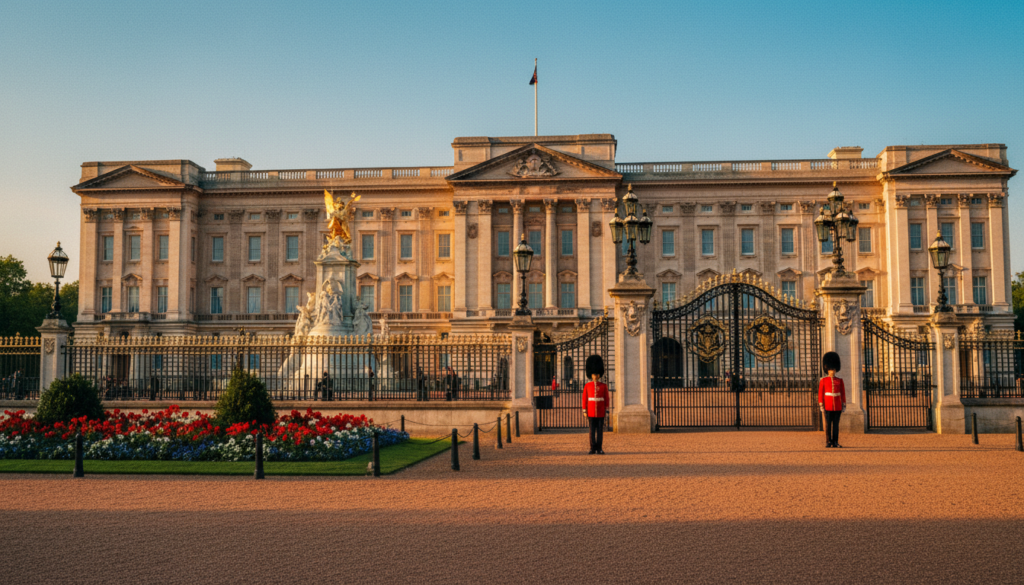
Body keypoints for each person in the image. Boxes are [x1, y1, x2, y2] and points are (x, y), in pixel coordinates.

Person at [818, 351, 847, 448]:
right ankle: (828, 441)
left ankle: (835, 442)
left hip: (837, 405)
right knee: (827, 425)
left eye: (833, 369)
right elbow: (821, 393)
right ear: (827, 369)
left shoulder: (839, 380)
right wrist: (821, 404)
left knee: (835, 425)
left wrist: (844, 404)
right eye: (830, 369)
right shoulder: (823, 380)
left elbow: (842, 393)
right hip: (827, 404)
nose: (832, 371)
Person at [582, 355, 610, 455]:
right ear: (591, 375)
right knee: (592, 431)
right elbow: (585, 398)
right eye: (594, 374)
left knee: (600, 431)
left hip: (601, 411)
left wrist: (607, 411)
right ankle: (592, 448)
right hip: (590, 411)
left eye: (597, 374)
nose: (595, 376)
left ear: (599, 375)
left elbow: (607, 398)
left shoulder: (603, 386)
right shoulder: (587, 386)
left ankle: (600, 448)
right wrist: (584, 410)